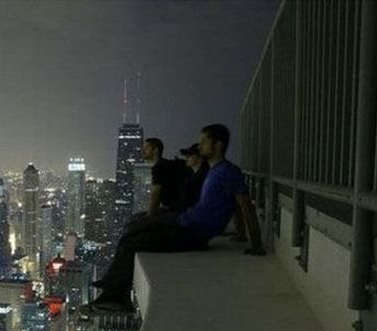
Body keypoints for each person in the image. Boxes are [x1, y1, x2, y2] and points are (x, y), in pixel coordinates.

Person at [88, 124, 265, 311]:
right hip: (184, 222)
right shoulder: (214, 171)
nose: (200, 145)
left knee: (130, 241)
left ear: (218, 145)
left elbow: (245, 206)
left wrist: (256, 244)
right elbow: (236, 206)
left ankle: (116, 299)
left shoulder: (228, 172)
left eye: (204, 141)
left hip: (191, 233)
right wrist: (240, 233)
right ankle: (112, 289)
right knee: (131, 229)